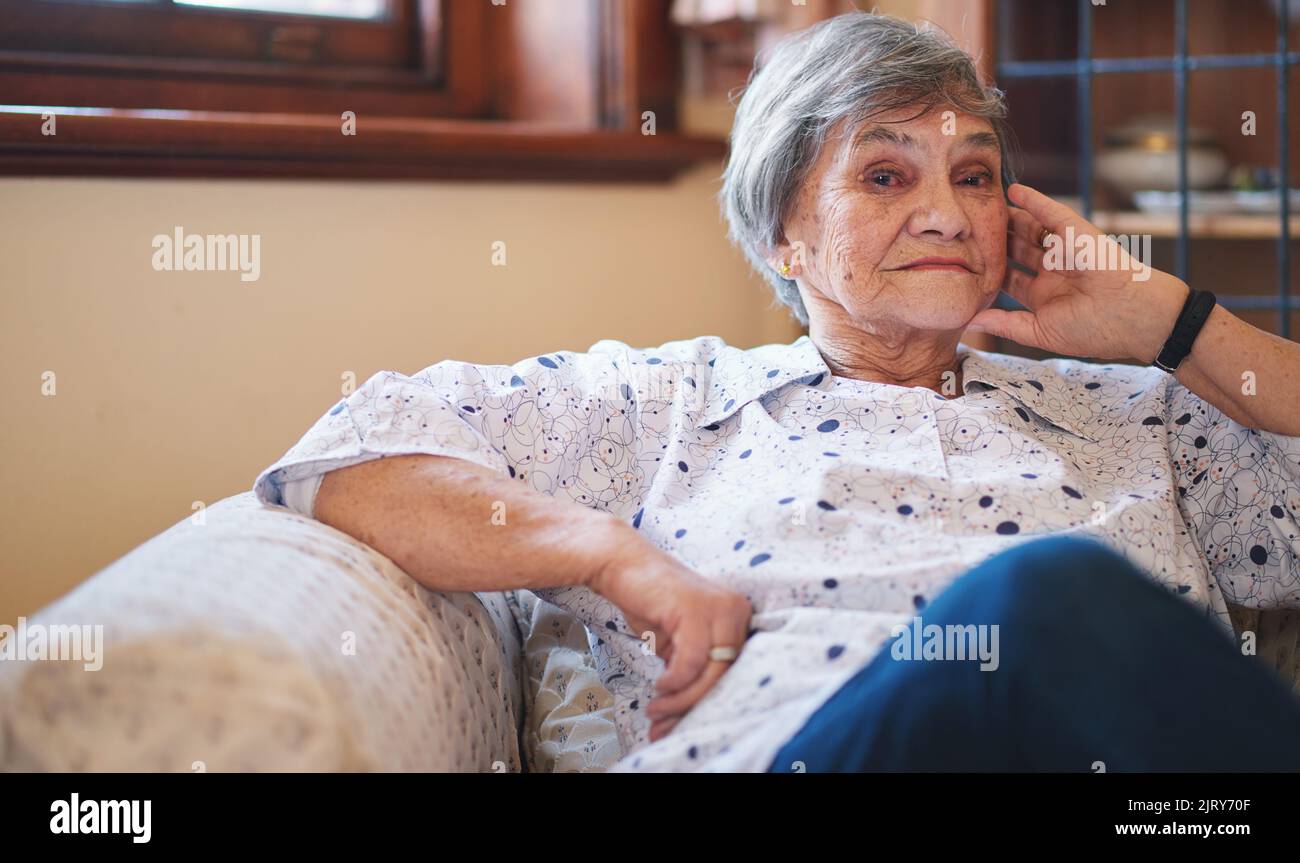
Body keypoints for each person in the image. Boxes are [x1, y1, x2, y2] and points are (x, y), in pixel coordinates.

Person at [253, 11, 1300, 771]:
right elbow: (351, 453)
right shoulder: (665, 403)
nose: (945, 214)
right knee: (1047, 594)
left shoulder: (1134, 417)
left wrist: (1173, 324)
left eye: (973, 176)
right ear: (783, 235)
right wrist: (617, 558)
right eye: (885, 176)